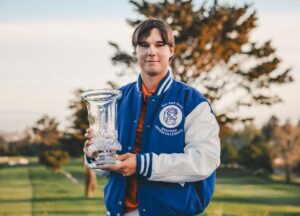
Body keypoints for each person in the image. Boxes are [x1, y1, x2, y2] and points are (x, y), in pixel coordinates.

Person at [84, 19, 221, 216]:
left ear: (171, 50)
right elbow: (107, 168)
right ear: (135, 51)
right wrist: (94, 154)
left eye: (159, 44)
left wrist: (141, 164)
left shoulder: (192, 101)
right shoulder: (116, 100)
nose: (151, 51)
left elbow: (204, 161)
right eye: (144, 45)